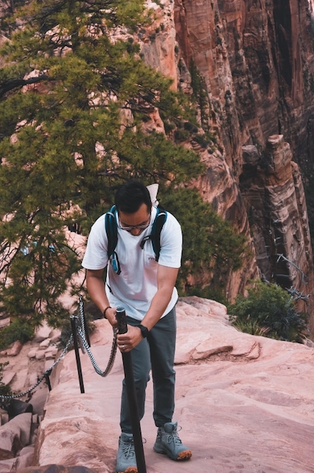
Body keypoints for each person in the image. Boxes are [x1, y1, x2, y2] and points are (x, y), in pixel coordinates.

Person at [83, 180, 193, 473]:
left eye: (141, 226)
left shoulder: (166, 227)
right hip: (123, 309)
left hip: (161, 308)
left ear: (151, 209)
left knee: (165, 371)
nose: (134, 232)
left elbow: (165, 287)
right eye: (128, 226)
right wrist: (107, 311)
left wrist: (143, 329)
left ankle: (165, 432)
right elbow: (93, 277)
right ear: (117, 213)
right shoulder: (103, 229)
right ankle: (129, 438)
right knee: (137, 376)